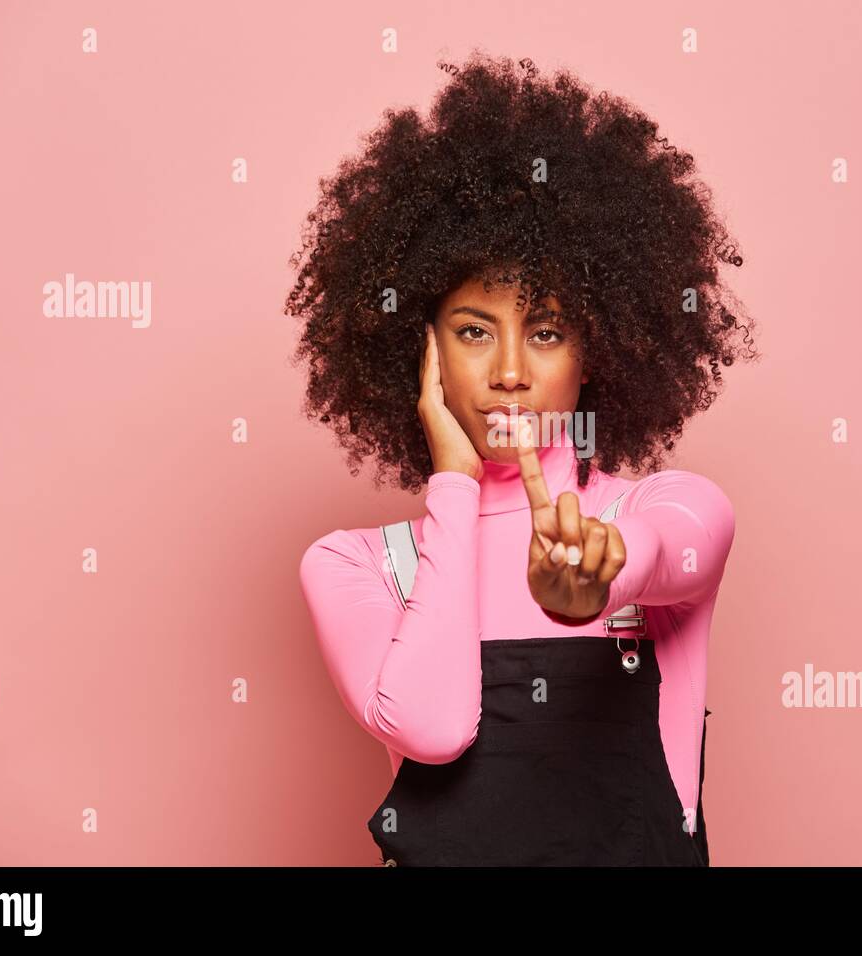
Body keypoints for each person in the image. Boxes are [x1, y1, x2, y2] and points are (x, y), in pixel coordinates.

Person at [286, 51, 756, 866]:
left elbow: (671, 548)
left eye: (545, 331)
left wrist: (603, 572)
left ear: (593, 351)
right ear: (419, 350)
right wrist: (456, 487)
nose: (508, 370)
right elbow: (433, 731)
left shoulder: (660, 513)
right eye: (473, 331)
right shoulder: (359, 564)